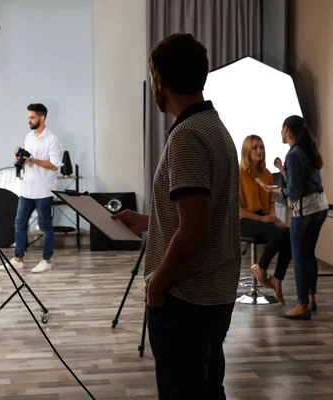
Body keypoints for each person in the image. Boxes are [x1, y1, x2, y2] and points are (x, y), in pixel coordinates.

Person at [112, 33, 240, 399]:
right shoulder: (214, 127)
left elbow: (196, 231)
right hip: (212, 294)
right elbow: (202, 217)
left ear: (160, 80)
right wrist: (149, 221)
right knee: (207, 389)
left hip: (186, 298)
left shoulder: (187, 137)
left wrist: (156, 285)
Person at [262, 115, 328, 320]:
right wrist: (283, 170)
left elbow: (296, 190)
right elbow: (303, 181)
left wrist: (276, 191)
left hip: (304, 210)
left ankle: (301, 306)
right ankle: (311, 297)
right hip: (320, 207)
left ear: (286, 129)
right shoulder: (305, 150)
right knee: (309, 255)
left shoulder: (293, 154)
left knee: (299, 258)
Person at [2, 103, 63, 274]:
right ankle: (18, 259)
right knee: (20, 223)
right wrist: (22, 157)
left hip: (44, 190)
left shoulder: (52, 139)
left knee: (45, 226)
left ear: (42, 118)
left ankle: (47, 260)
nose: (29, 120)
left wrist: (33, 160)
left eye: (32, 117)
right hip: (27, 189)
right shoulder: (29, 136)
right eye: (28, 117)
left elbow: (54, 165)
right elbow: (28, 157)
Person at [240, 134, 291, 304]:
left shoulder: (267, 174)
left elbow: (270, 203)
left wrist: (274, 219)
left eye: (261, 147)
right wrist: (262, 220)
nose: (259, 150)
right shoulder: (238, 174)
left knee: (288, 233)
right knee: (279, 235)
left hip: (262, 218)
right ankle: (261, 268)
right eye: (254, 147)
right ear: (247, 150)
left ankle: (277, 278)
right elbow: (237, 209)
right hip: (244, 220)